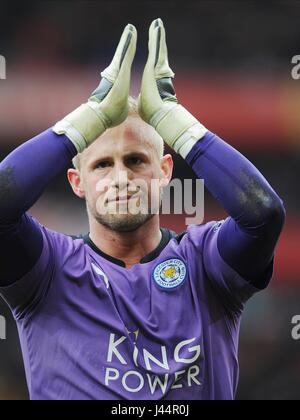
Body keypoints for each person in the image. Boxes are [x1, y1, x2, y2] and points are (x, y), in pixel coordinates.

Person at [0, 19, 285, 400]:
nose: (121, 178)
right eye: (102, 164)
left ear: (165, 171)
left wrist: (174, 121)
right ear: (76, 181)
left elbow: (263, 215)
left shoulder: (205, 264)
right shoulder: (48, 271)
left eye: (136, 160)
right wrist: (89, 118)